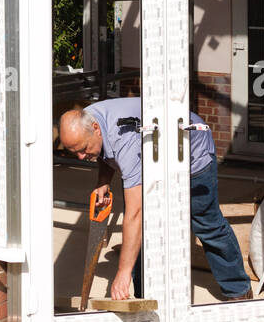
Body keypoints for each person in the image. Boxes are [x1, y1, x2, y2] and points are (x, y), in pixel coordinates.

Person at [58, 97, 252, 302]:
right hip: (153, 154)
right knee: (145, 230)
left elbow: (135, 215)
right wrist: (103, 181)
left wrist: (122, 273)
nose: (81, 157)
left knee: (206, 222)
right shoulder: (88, 119)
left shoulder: (124, 140)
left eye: (83, 149)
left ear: (95, 129)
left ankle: (238, 289)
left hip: (189, 151)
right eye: (75, 152)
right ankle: (146, 295)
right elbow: (105, 150)